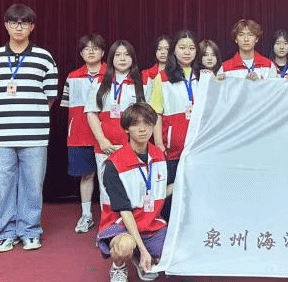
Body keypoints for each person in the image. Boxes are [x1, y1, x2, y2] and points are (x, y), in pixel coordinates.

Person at [0, 3, 58, 252]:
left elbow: (50, 97)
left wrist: (30, 114)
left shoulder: (44, 57)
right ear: (6, 25)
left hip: (34, 134)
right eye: (14, 22)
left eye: (24, 23)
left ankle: (30, 231)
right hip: (1, 135)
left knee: (32, 186)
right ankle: (6, 232)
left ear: (32, 27)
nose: (19, 27)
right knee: (3, 187)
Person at [97, 103, 171, 282]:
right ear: (126, 128)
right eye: (136, 124)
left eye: (147, 123)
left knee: (175, 250)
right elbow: (124, 211)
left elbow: (161, 191)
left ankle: (139, 255)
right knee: (125, 245)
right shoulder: (113, 164)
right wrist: (144, 249)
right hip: (122, 224)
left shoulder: (159, 156)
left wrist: (185, 182)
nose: (142, 129)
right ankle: (119, 267)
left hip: (151, 223)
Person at [150, 30, 199, 221]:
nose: (187, 52)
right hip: (173, 146)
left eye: (191, 48)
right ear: (174, 50)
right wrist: (159, 143)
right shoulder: (162, 77)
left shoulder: (202, 76)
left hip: (197, 144)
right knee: (172, 187)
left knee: (195, 187)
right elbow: (156, 113)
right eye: (182, 47)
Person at [61, 34, 107, 234]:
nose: (91, 52)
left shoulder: (111, 74)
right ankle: (87, 215)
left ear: (103, 52)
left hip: (106, 135)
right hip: (80, 135)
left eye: (95, 48)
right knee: (87, 175)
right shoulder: (72, 76)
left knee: (110, 177)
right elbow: (66, 105)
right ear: (81, 53)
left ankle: (111, 216)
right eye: (87, 48)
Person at [84, 40, 148, 177]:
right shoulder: (98, 82)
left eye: (127, 54)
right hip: (106, 147)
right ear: (111, 58)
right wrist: (102, 140)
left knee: (132, 185)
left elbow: (147, 118)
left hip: (134, 147)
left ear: (133, 58)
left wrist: (135, 144)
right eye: (118, 55)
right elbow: (91, 113)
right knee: (106, 186)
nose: (122, 59)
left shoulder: (143, 83)